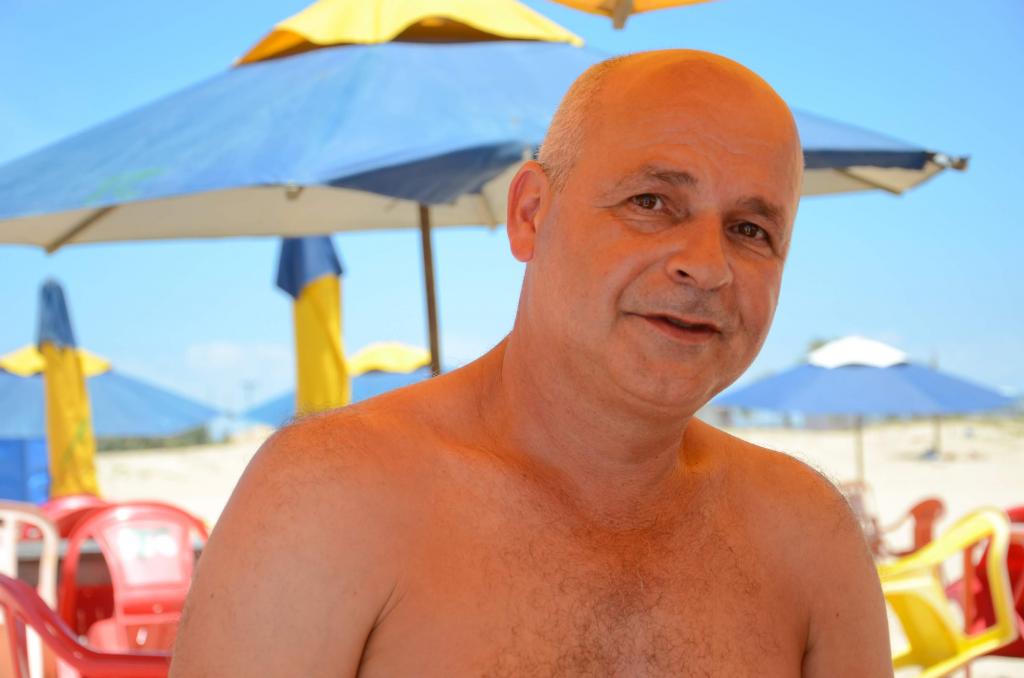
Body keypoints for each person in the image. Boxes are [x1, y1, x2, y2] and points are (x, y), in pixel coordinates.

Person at [171, 50, 892, 677]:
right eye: (651, 202)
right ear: (530, 214)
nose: (707, 266)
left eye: (751, 230)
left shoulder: (809, 538)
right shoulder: (330, 498)